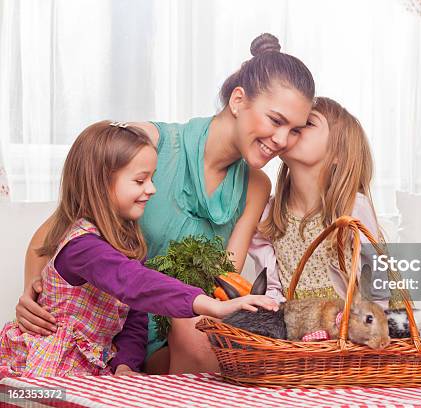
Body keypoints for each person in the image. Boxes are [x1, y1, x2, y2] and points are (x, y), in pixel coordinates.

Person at [14, 33, 315, 374]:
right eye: (276, 120)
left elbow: (223, 280)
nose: (281, 140)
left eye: (295, 130)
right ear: (238, 100)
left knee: (206, 331)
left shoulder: (256, 185)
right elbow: (57, 234)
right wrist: (34, 295)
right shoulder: (147, 144)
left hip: (178, 324)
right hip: (109, 327)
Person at [0, 122, 277, 377]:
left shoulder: (127, 244)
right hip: (46, 368)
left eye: (152, 178)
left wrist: (125, 365)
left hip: (90, 369)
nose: (152, 188)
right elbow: (136, 285)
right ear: (101, 182)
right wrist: (215, 306)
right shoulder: (82, 247)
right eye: (140, 180)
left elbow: (134, 317)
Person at [249, 97, 400, 308]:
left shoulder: (353, 207)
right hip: (300, 334)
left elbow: (374, 281)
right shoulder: (268, 215)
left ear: (337, 153)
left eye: (307, 122)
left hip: (351, 331)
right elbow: (272, 291)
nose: (293, 127)